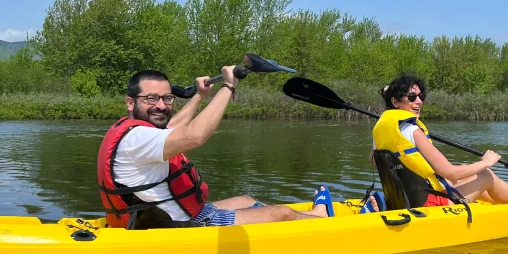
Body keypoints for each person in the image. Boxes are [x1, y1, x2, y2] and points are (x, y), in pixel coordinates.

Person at [98, 68, 333, 229]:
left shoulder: (135, 131)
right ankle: (320, 220)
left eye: (167, 98)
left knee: (246, 199)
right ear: (131, 102)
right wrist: (228, 87)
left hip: (164, 217)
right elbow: (195, 135)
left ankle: (301, 219)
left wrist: (200, 96)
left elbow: (173, 127)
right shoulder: (138, 138)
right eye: (151, 98)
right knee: (282, 213)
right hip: (179, 227)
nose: (160, 105)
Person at [371, 73, 508, 207]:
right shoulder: (414, 132)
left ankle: (497, 206)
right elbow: (450, 172)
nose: (419, 101)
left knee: (462, 174)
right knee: (486, 174)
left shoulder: (381, 131)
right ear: (395, 102)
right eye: (412, 97)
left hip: (404, 200)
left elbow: (377, 164)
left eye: (421, 97)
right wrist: (486, 162)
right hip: (428, 205)